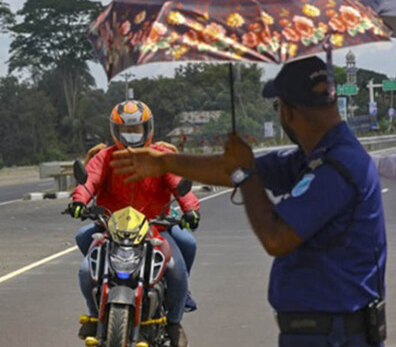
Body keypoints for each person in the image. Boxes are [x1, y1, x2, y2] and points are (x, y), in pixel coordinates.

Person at [111, 57, 387, 347]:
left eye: (278, 106)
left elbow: (276, 237)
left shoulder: (337, 167)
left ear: (289, 111)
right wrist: (165, 162)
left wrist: (244, 173)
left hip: (335, 336)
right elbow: (234, 170)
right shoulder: (317, 156)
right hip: (322, 331)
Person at [68, 100, 200, 347]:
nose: (131, 136)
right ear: (115, 131)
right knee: (86, 270)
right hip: (112, 228)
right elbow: (89, 180)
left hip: (154, 228)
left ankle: (174, 322)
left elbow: (178, 182)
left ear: (147, 128)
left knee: (178, 271)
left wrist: (190, 208)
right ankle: (95, 314)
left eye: (137, 129)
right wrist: (79, 200)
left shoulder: (161, 157)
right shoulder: (105, 157)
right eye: (126, 130)